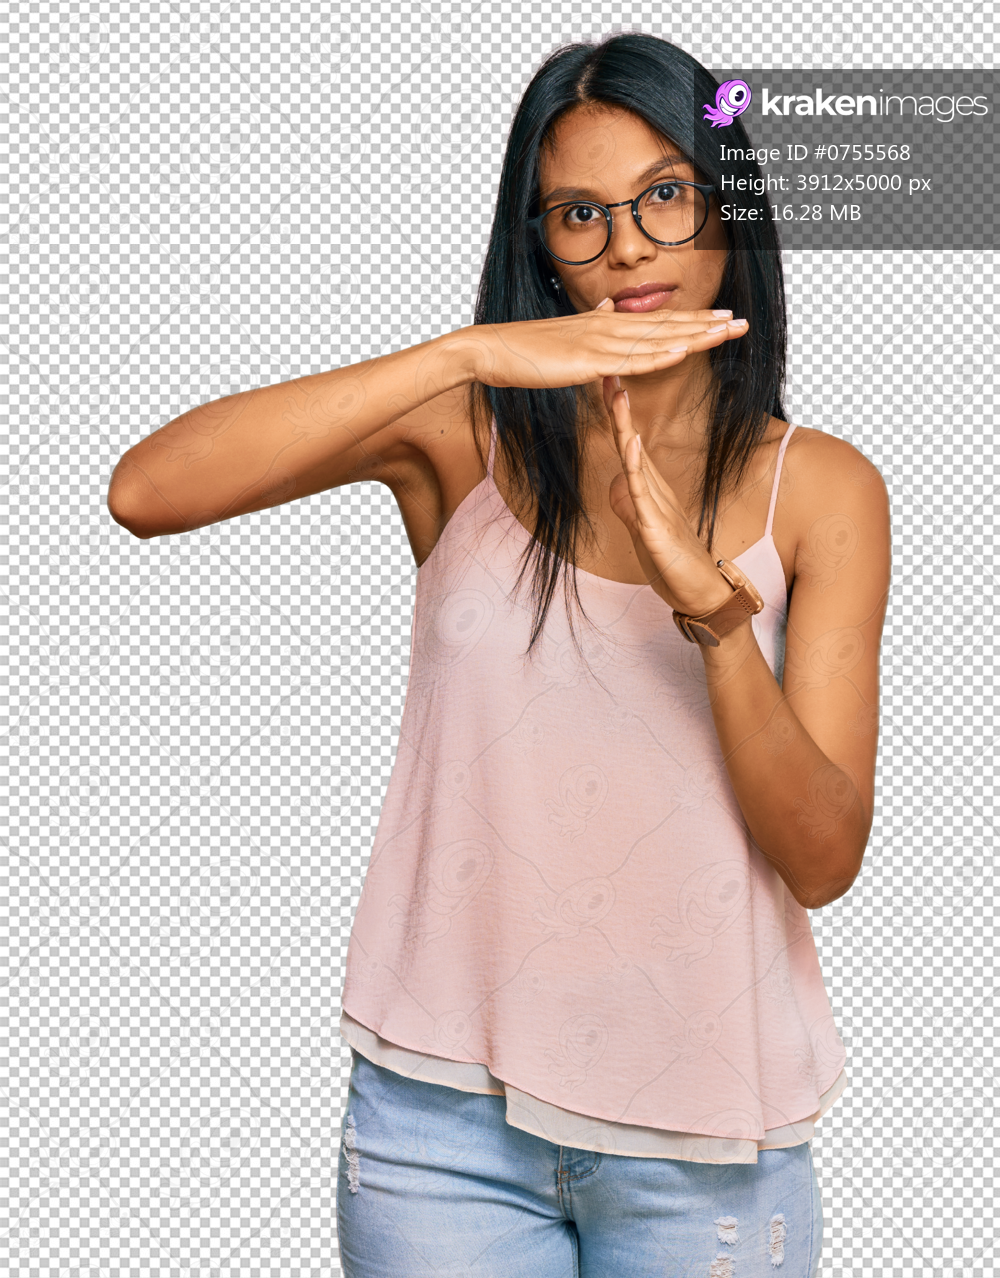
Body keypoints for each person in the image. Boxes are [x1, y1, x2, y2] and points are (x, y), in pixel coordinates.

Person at [108, 31, 890, 1278]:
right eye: (578, 214)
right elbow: (146, 491)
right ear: (539, 243)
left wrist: (714, 619)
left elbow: (821, 856)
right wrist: (466, 351)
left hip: (705, 1141)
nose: (626, 244)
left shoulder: (821, 488)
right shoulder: (466, 435)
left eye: (665, 195)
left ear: (731, 205)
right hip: (438, 1128)